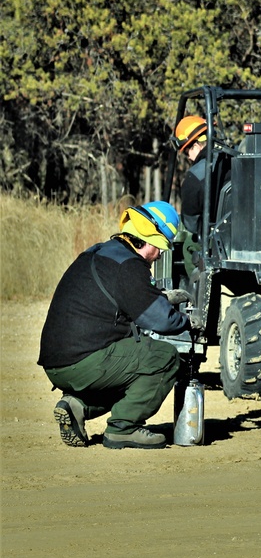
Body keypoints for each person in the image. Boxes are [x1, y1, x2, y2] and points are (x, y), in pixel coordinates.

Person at [39, 201, 191, 450]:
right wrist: (187, 321)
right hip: (84, 363)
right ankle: (124, 429)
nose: (162, 254)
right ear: (150, 240)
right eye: (162, 246)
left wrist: (161, 298)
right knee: (165, 359)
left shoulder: (101, 252)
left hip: (56, 363)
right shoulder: (130, 266)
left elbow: (125, 297)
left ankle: (78, 406)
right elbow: (160, 320)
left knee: (127, 370)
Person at [173, 115, 210, 237]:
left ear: (196, 146)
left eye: (187, 151)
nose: (188, 157)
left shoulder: (195, 176)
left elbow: (191, 224)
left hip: (211, 241)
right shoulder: (235, 159)